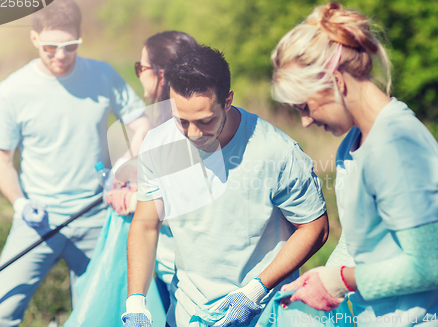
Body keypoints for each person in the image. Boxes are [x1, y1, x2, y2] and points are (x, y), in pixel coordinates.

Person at [268, 1, 438, 326]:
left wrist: (340, 280)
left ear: (336, 80)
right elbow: (358, 243)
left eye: (305, 106)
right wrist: (320, 280)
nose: (305, 121)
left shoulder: (398, 148)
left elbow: (429, 267)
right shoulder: (353, 143)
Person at [121, 45, 330, 327]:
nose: (193, 134)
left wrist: (255, 292)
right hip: (188, 314)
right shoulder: (157, 144)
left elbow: (315, 228)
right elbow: (146, 224)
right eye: (182, 120)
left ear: (228, 101)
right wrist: (136, 302)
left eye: (205, 121)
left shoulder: (277, 151)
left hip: (265, 311)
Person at [0, 0, 149, 326]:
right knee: (0, 313)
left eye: (70, 46)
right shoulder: (11, 90)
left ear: (79, 38)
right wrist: (20, 205)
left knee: (97, 315)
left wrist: (124, 170)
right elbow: (1, 160)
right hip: (37, 220)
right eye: (50, 47)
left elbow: (141, 124)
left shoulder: (102, 75)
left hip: (97, 216)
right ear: (34, 39)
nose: (60, 55)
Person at [63, 31, 200, 327]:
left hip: (177, 260)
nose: (138, 76)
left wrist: (134, 196)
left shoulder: (185, 126)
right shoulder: (159, 120)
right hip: (158, 259)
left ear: (160, 74)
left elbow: (184, 193)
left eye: (141, 68)